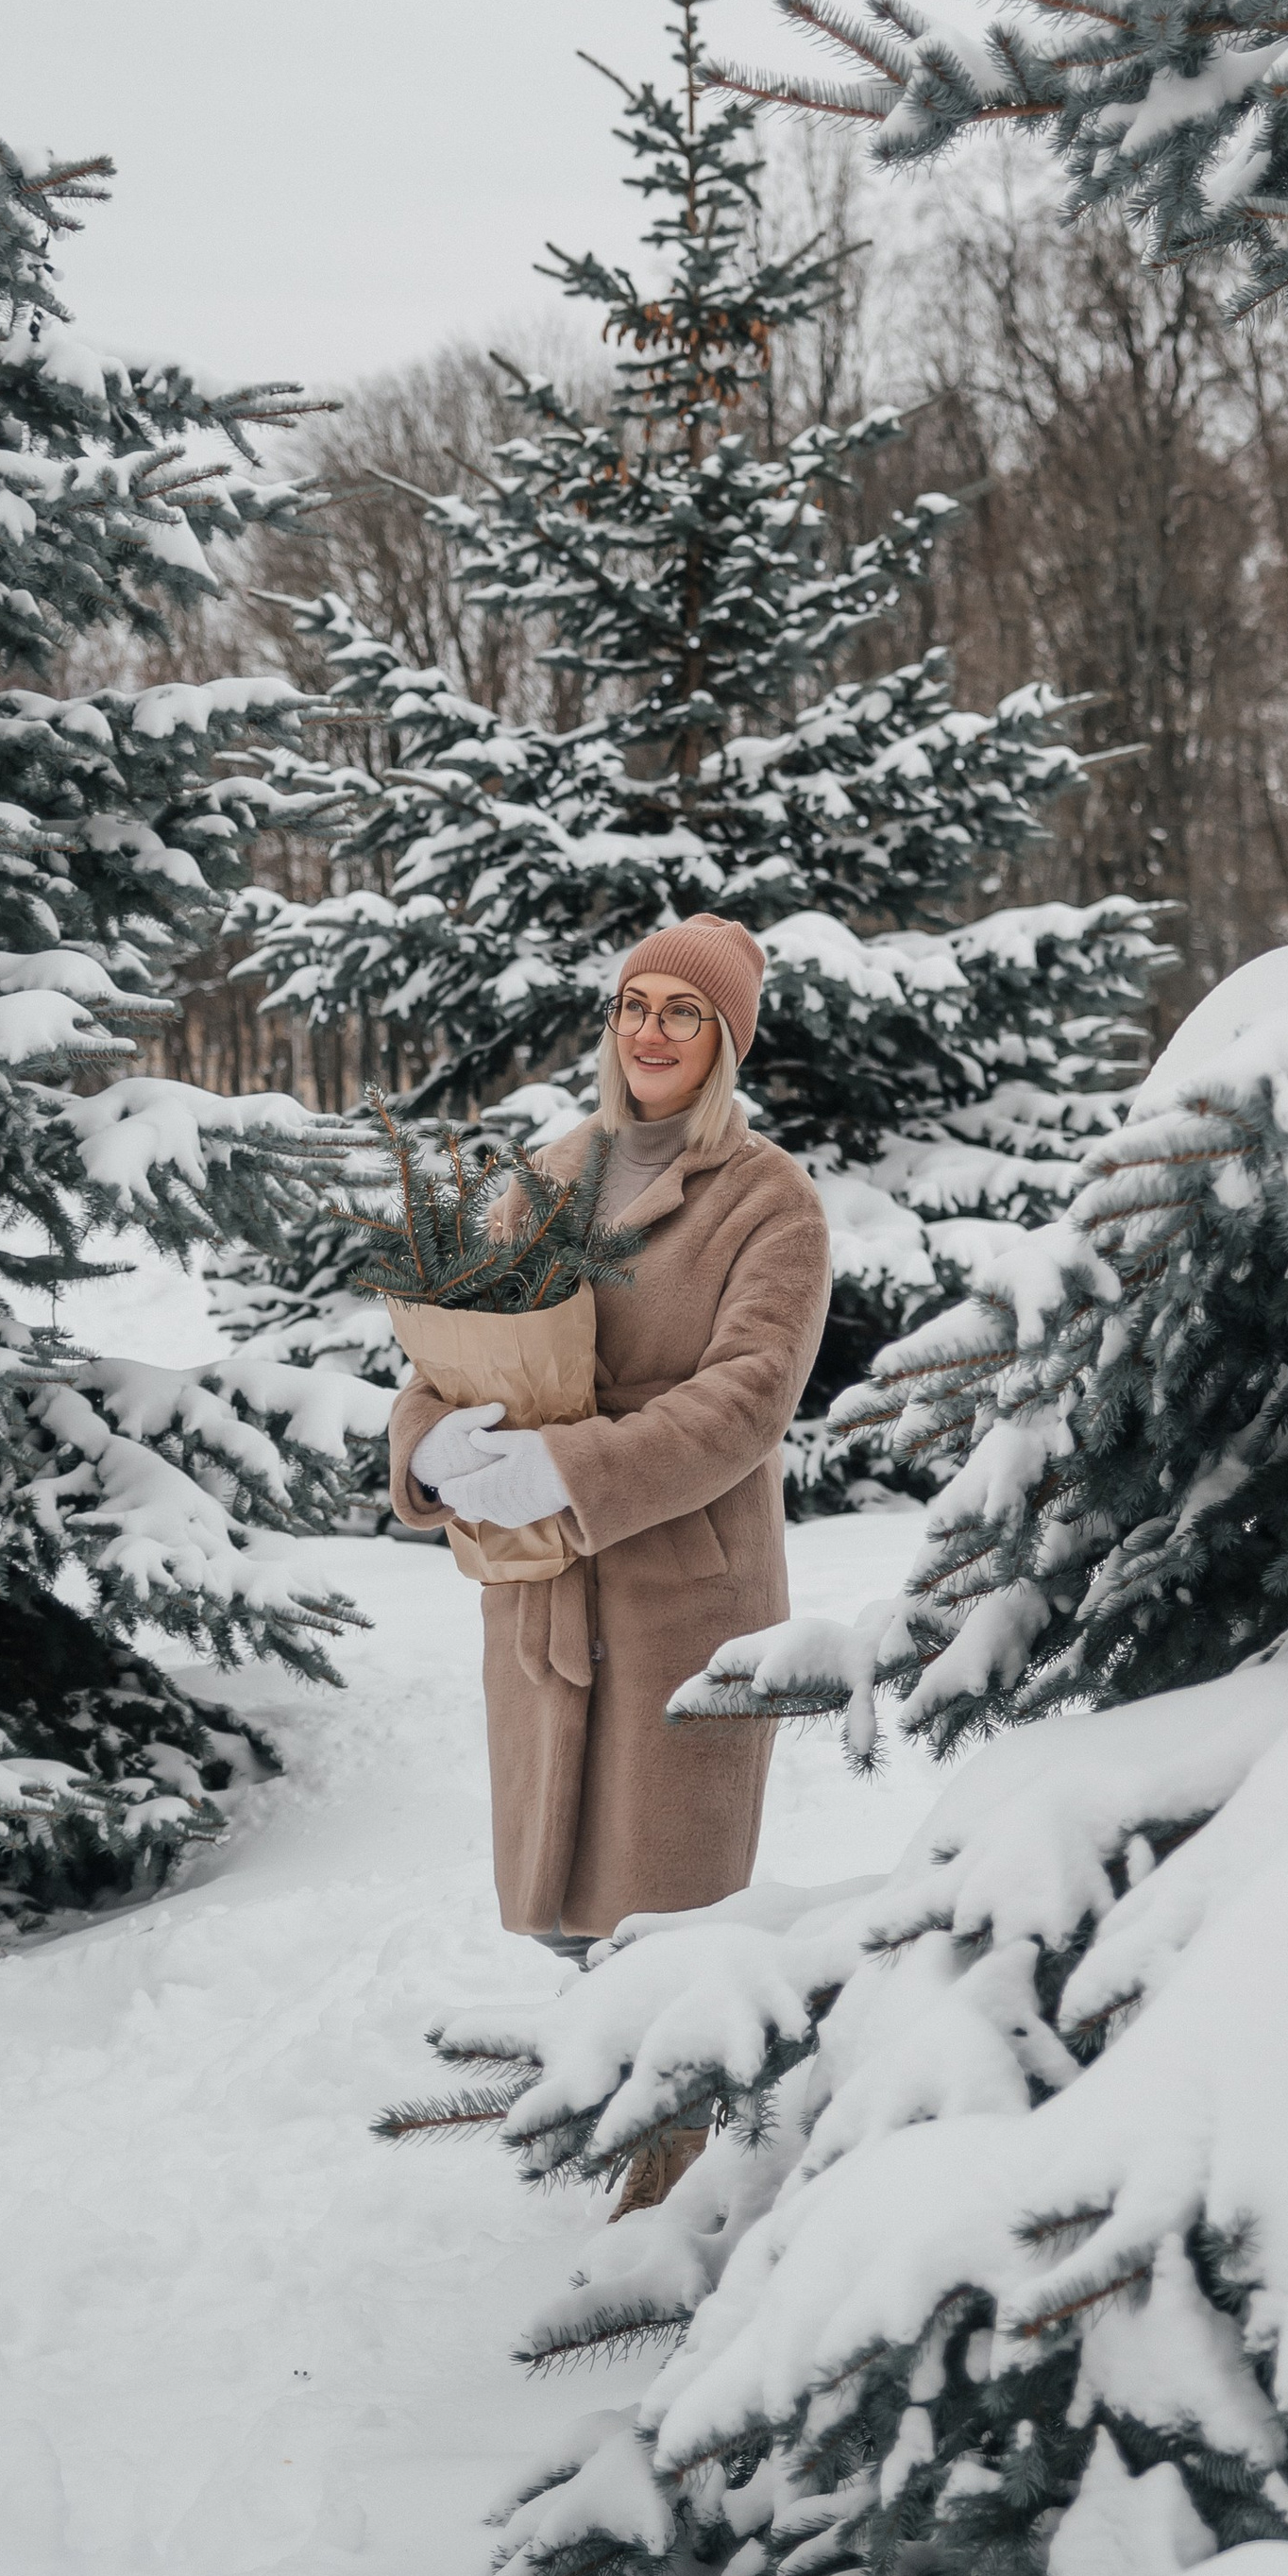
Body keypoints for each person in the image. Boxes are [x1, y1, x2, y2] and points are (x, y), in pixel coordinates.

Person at [386, 914, 830, 2204]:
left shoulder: (769, 1201)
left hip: (680, 1595)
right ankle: (625, 2115)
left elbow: (749, 1400)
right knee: (565, 1905)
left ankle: (673, 2182)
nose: (651, 1030)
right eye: (636, 1004)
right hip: (541, 1588)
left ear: (726, 1040)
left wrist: (571, 1469)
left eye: (684, 1011)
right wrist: (431, 1445)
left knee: (671, 1908)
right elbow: (454, 1344)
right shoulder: (548, 1173)